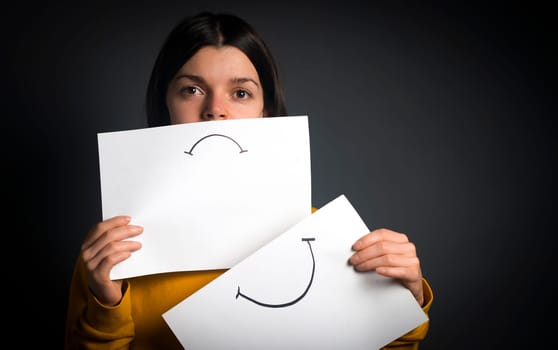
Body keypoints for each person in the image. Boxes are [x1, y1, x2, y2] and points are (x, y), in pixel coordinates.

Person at [64, 11, 433, 350]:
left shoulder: (325, 237)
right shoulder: (114, 251)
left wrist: (405, 299)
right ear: (166, 106)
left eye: (240, 93)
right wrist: (106, 304)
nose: (215, 109)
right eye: (191, 89)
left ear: (265, 111)